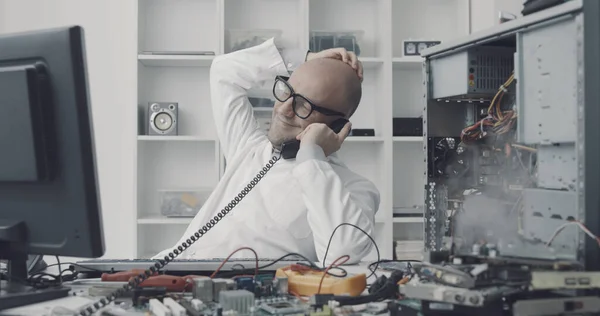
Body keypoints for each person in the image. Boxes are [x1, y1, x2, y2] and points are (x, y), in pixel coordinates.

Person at [153, 38, 380, 265]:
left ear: (336, 126)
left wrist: (312, 156)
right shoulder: (249, 147)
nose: (282, 109)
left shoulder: (355, 188)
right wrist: (306, 59)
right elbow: (225, 70)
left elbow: (341, 253)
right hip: (168, 271)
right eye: (286, 91)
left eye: (303, 105)